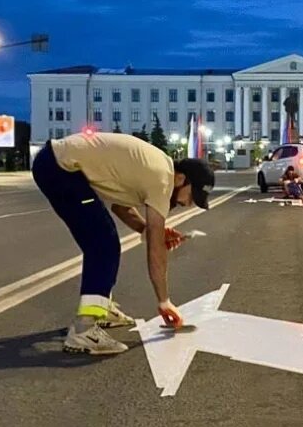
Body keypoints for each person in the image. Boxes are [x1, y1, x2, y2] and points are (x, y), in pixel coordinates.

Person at [32, 130, 214, 355]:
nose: (189, 204)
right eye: (191, 196)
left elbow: (122, 207)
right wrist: (164, 301)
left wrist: (148, 230)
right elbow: (155, 249)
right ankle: (84, 330)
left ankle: (101, 309)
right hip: (61, 168)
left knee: (103, 240)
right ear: (180, 178)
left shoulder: (156, 170)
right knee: (103, 245)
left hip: (57, 164)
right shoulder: (162, 179)